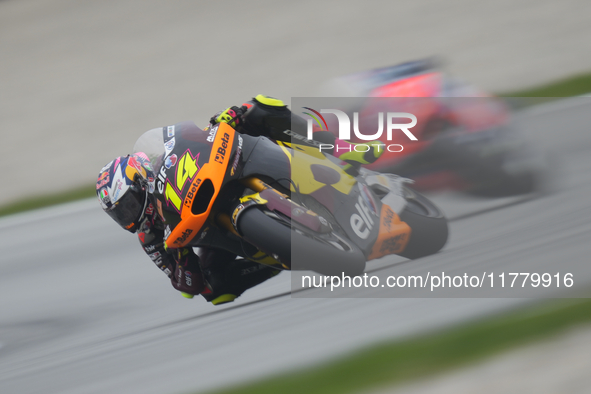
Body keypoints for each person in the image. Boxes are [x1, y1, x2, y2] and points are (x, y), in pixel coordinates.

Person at [96, 95, 384, 305]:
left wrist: (226, 120)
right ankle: (281, 251)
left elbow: (189, 136)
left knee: (259, 107)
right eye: (120, 215)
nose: (130, 217)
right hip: (214, 230)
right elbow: (186, 286)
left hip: (223, 168)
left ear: (139, 180)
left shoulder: (160, 157)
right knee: (214, 290)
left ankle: (339, 147)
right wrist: (181, 255)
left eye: (129, 205)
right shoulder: (150, 237)